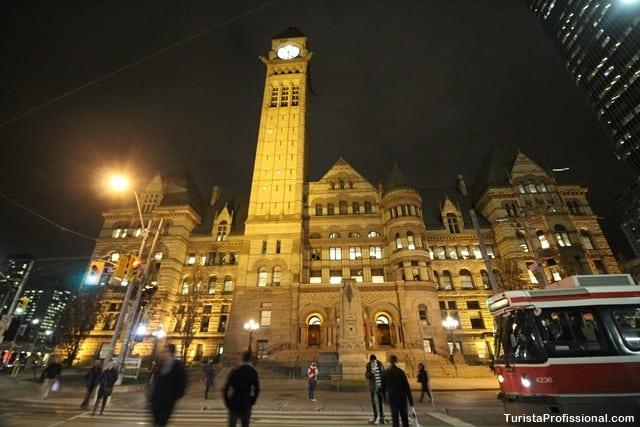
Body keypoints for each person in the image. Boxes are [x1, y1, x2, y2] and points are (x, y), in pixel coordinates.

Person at [150, 344, 187, 426]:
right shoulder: (160, 366)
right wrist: (152, 397)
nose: (162, 353)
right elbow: (155, 382)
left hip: (167, 403)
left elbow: (182, 386)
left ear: (170, 353)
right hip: (156, 402)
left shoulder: (178, 368)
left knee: (161, 423)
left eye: (165, 351)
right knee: (156, 423)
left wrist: (172, 398)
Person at [223, 351, 260, 427]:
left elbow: (226, 388)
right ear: (250, 359)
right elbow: (257, 388)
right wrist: (252, 401)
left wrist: (228, 402)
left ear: (242, 358)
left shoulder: (235, 370)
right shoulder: (252, 371)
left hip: (234, 402)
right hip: (246, 402)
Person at [384, 355, 414, 427]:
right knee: (404, 418)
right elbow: (407, 387)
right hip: (401, 397)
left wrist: (384, 398)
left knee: (395, 419)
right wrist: (410, 400)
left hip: (392, 397)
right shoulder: (401, 372)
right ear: (396, 361)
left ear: (390, 361)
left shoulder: (386, 372)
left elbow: (382, 387)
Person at [365, 354, 385, 425]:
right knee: (374, 402)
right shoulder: (368, 365)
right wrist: (372, 372)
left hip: (380, 386)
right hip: (373, 387)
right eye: (372, 362)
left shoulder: (380, 364)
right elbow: (367, 376)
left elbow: (384, 373)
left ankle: (381, 417)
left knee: (380, 402)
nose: (373, 363)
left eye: (374, 361)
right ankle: (376, 417)